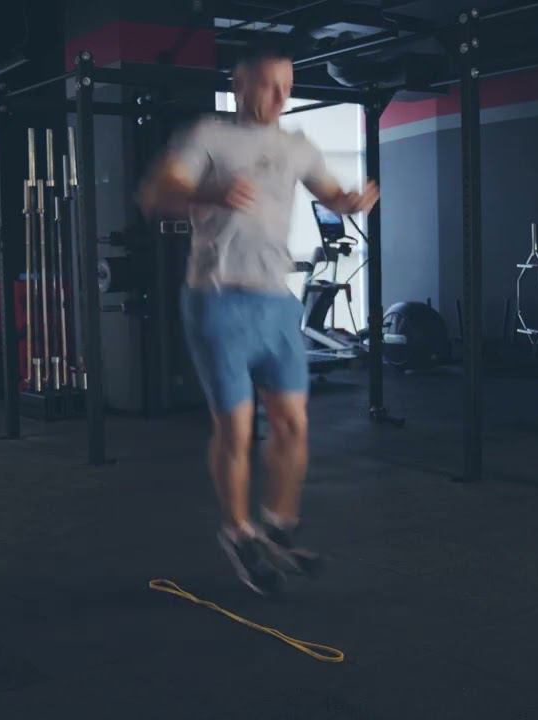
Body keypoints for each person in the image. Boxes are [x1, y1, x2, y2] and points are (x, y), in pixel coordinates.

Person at [137, 45, 378, 596]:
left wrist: (348, 202)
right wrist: (211, 191)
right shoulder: (208, 135)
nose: (280, 96)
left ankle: (277, 527)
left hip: (275, 302)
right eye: (269, 85)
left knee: (293, 424)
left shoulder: (296, 145)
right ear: (240, 84)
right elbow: (155, 194)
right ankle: (237, 532)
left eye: (288, 86)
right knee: (237, 430)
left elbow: (329, 192)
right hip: (217, 299)